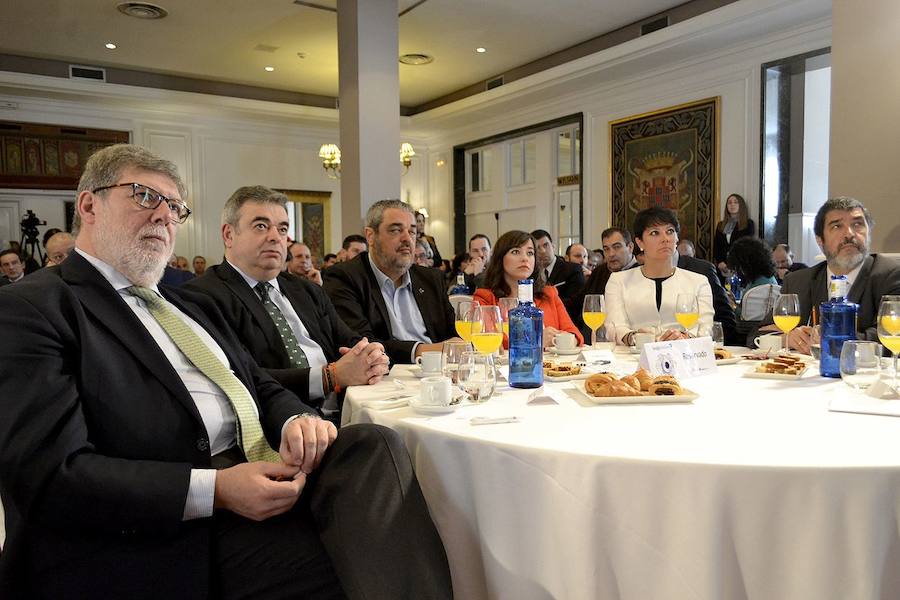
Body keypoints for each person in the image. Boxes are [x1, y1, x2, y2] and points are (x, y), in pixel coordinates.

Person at [0, 144, 452, 599]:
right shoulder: (35, 307)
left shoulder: (180, 304)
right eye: (143, 196)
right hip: (164, 523)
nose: (163, 216)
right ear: (89, 205)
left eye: (174, 206)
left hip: (263, 466)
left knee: (375, 446)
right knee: (359, 557)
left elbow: (255, 381)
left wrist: (297, 420)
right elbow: (51, 475)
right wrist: (215, 489)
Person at [186, 186, 388, 422]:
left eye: (282, 229)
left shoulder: (306, 290)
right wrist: (329, 377)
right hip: (279, 425)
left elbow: (348, 339)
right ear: (229, 235)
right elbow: (239, 378)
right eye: (261, 226)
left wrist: (372, 354)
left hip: (347, 410)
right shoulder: (203, 296)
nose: (275, 237)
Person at [754, 197, 900, 353]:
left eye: (857, 224)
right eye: (837, 226)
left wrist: (833, 337)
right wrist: (786, 338)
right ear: (820, 241)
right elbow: (755, 335)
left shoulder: (890, 275)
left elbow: (892, 335)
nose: (849, 234)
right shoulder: (798, 281)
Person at [322, 199, 457, 365]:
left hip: (437, 375)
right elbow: (361, 345)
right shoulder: (344, 278)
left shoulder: (431, 279)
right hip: (381, 378)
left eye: (412, 232)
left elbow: (454, 333)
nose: (407, 239)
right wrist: (421, 350)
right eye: (395, 230)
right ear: (370, 236)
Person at [606, 207, 714, 345]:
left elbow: (706, 328)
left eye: (670, 231)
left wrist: (684, 337)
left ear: (676, 238)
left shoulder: (698, 281)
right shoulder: (619, 281)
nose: (665, 239)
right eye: (654, 233)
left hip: (684, 356)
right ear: (639, 242)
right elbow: (614, 327)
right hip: (633, 357)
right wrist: (634, 337)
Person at [475, 230, 582, 349]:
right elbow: (488, 340)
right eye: (516, 252)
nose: (525, 258)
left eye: (530, 253)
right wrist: (536, 339)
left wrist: (565, 340)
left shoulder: (549, 294)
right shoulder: (484, 298)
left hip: (551, 366)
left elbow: (574, 334)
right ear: (500, 258)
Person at [726, 237, 778, 319]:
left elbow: (748, 318)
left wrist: (732, 305)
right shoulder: (767, 278)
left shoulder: (758, 286)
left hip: (750, 330)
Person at [531, 229, 585, 304]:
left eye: (546, 245)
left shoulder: (573, 270)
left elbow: (576, 302)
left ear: (553, 246)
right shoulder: (530, 273)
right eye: (538, 248)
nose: (543, 251)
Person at [713, 193, 755, 278]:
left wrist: (734, 264)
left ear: (741, 205)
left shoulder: (748, 224)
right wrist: (720, 262)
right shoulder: (721, 225)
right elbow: (717, 246)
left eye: (735, 202)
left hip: (740, 266)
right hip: (723, 266)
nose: (732, 205)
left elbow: (747, 246)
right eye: (729, 202)